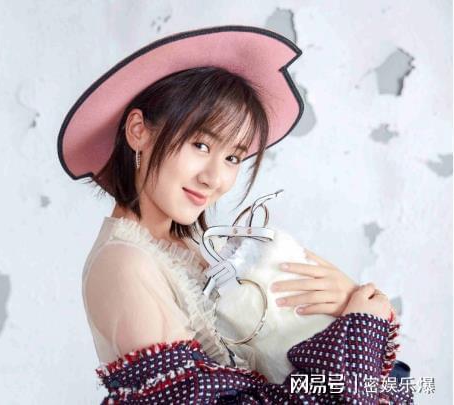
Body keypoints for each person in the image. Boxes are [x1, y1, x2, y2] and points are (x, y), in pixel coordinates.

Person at [58, 26, 413, 404]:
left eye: (232, 157)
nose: (214, 178)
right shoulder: (124, 263)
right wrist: (359, 335)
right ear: (138, 131)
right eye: (200, 144)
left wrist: (347, 302)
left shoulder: (193, 247)